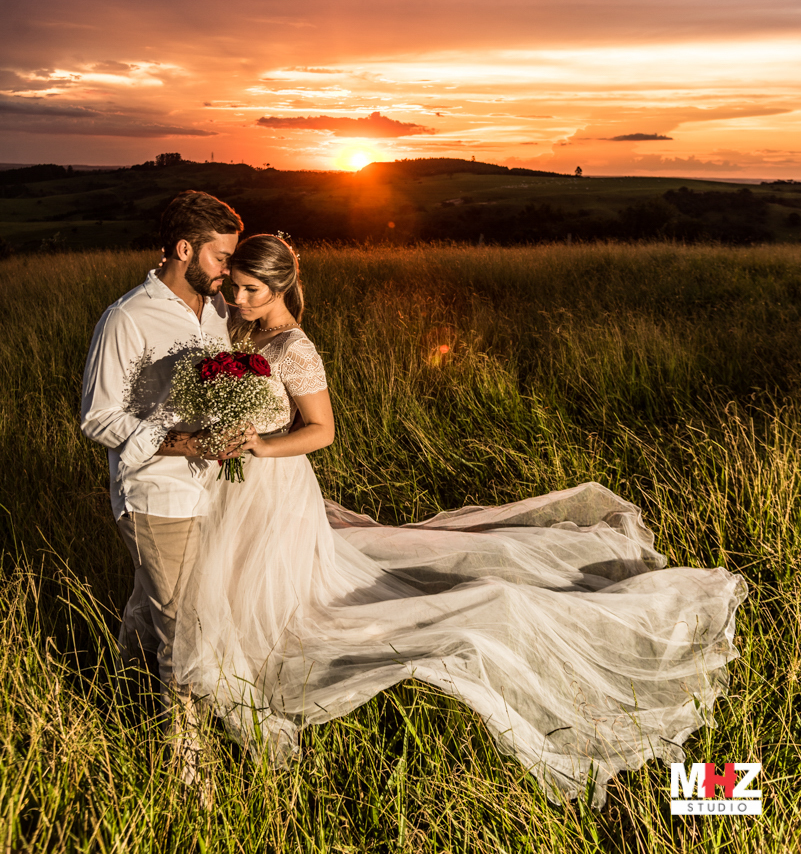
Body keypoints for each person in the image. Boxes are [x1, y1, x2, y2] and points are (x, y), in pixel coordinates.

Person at [174, 234, 747, 810]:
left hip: (273, 483)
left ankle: (711, 792)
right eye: (236, 286)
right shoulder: (239, 329)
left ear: (280, 287)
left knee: (288, 594)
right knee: (228, 581)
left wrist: (260, 446)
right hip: (230, 487)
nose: (239, 299)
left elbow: (323, 430)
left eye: (252, 290)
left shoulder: (296, 347)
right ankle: (231, 674)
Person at [81, 189, 243, 784]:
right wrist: (179, 442)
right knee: (184, 625)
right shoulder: (127, 318)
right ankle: (187, 768)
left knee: (164, 604)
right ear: (185, 249)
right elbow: (97, 419)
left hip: (213, 488)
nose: (229, 269)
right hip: (156, 493)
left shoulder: (219, 313)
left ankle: (116, 689)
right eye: (221, 257)